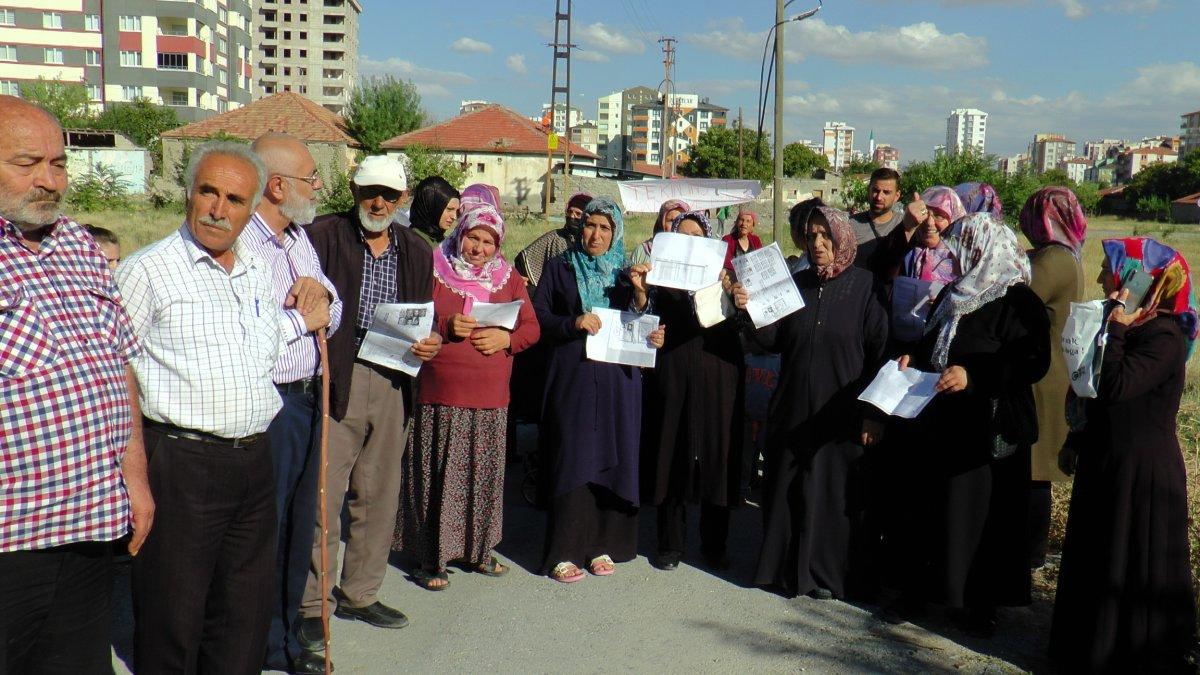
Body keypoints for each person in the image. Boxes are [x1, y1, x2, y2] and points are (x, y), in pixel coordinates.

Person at [118, 141, 316, 673]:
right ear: (189, 193)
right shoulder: (148, 271)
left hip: (254, 459)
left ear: (253, 208)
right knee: (173, 618)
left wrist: (307, 316)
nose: (217, 208)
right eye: (208, 191)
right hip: (183, 462)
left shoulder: (254, 272)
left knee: (242, 618)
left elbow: (267, 347)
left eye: (233, 198)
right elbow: (117, 374)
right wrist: (133, 476)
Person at [0, 97, 152, 674]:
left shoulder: (79, 246)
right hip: (11, 539)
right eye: (27, 162)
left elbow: (119, 368)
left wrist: (135, 478)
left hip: (90, 527)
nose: (48, 179)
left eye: (58, 163)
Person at [299, 155, 443, 667]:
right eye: (368, 192)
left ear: (402, 200)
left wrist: (432, 342)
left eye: (387, 193)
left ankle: (360, 593)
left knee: (378, 493)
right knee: (325, 496)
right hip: (339, 375)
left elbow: (428, 318)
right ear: (355, 193)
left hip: (393, 379)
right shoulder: (321, 236)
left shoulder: (417, 250)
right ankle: (313, 605)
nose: (377, 202)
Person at [890, 213, 1049, 634]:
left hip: (987, 429)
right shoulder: (955, 294)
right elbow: (935, 344)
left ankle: (978, 604)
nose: (953, 253)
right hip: (943, 424)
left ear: (983, 249)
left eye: (961, 246)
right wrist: (915, 358)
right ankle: (927, 592)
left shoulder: (1018, 301)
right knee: (934, 511)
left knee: (981, 518)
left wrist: (975, 377)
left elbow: (1033, 361)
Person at [1049, 237, 1197, 672]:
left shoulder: (1165, 335)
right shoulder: (1132, 328)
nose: (1102, 279)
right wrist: (1076, 438)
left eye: (1115, 273)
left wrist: (1114, 327)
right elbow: (1089, 390)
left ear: (1144, 280)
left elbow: (1115, 386)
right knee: (1098, 556)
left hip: (1142, 468)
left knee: (1128, 560)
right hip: (1107, 458)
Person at [733, 205, 888, 599]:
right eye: (812, 236)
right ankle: (780, 569)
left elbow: (878, 355)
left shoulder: (866, 287)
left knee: (828, 494)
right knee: (785, 489)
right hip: (790, 407)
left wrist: (872, 414)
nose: (818, 244)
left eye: (826, 236)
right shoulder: (797, 283)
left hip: (840, 412)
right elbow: (770, 340)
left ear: (842, 238)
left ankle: (823, 575)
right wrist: (747, 308)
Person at [241, 133, 345, 675]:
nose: (319, 186)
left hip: (308, 398)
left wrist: (321, 298)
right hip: (272, 404)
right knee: (268, 528)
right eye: (310, 177)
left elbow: (334, 304)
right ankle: (258, 642)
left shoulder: (297, 237)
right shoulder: (246, 246)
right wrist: (301, 315)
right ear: (277, 185)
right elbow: (247, 331)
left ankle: (286, 640)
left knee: (301, 524)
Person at [395, 204, 540, 590]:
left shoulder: (508, 278)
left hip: (491, 397)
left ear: (498, 244)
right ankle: (432, 559)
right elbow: (410, 316)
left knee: (483, 477)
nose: (478, 248)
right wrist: (445, 324)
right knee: (438, 476)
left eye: (488, 241)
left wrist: (507, 338)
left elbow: (531, 329)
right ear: (460, 234)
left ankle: (478, 551)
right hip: (441, 393)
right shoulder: (436, 269)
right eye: (473, 237)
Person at [533, 197, 664, 582]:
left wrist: (641, 296)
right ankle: (565, 550)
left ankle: (602, 546)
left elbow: (642, 320)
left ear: (616, 232)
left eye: (605, 228)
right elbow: (539, 315)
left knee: (611, 455)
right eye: (591, 225)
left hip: (617, 383)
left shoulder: (626, 275)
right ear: (580, 227)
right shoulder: (560, 268)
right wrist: (573, 322)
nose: (596, 234)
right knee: (573, 456)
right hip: (573, 378)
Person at [646, 210, 744, 572]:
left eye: (696, 235)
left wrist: (731, 290)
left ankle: (714, 544)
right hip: (675, 369)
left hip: (720, 372)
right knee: (672, 450)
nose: (690, 242)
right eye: (681, 235)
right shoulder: (659, 277)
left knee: (717, 454)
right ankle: (669, 544)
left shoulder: (728, 274)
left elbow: (746, 322)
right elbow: (645, 319)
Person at [1018, 187, 1086, 570]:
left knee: (1035, 467)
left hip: (1043, 377)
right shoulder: (1063, 254)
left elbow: (1019, 297)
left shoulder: (1052, 259)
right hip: (1051, 370)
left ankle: (1030, 554)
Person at [514, 191, 592, 289]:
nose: (572, 216)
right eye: (570, 212)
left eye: (578, 214)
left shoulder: (592, 242)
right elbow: (523, 259)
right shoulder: (556, 237)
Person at [900, 186, 966, 287]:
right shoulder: (907, 251)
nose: (929, 222)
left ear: (954, 220)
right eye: (925, 214)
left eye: (939, 216)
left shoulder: (963, 259)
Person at [850, 167, 904, 269]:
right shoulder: (850, 225)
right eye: (875, 190)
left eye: (886, 192)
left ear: (897, 196)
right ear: (868, 190)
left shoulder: (904, 225)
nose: (879, 197)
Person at [629, 198, 689, 266]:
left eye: (680, 220)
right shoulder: (642, 252)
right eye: (671, 221)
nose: (676, 225)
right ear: (661, 223)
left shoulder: (691, 252)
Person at [408, 175, 461, 247]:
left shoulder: (440, 239)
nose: (454, 217)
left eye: (456, 211)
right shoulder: (415, 243)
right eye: (449, 209)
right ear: (431, 207)